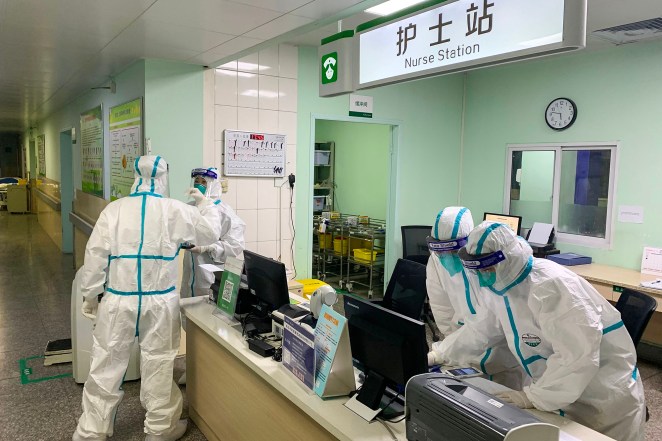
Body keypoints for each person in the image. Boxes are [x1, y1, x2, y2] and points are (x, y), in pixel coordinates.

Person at [448, 221, 645, 441]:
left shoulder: (552, 287)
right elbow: (482, 329)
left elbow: (577, 357)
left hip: (601, 397)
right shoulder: (502, 288)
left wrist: (534, 397)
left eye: (487, 268)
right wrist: (441, 353)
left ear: (508, 260)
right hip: (560, 393)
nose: (485, 276)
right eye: (479, 270)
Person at [72, 155, 222, 441]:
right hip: (159, 301)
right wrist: (206, 202)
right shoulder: (173, 210)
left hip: (119, 299)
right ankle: (159, 428)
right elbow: (210, 232)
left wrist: (90, 294)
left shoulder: (114, 210)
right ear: (164, 178)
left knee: (106, 361)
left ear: (134, 178)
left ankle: (92, 430)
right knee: (159, 362)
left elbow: (94, 256)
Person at [426, 207, 525, 389]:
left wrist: (442, 352)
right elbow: (442, 309)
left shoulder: (487, 265)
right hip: (461, 351)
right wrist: (452, 349)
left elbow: (488, 325)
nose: (446, 258)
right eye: (441, 252)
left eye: (453, 251)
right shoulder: (436, 260)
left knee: (505, 406)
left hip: (502, 356)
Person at [181, 167, 245, 299]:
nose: (198, 185)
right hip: (190, 275)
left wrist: (208, 248)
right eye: (196, 181)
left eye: (203, 182)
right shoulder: (190, 207)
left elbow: (236, 245)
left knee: (207, 311)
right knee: (188, 310)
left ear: (213, 185)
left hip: (211, 274)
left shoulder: (223, 212)